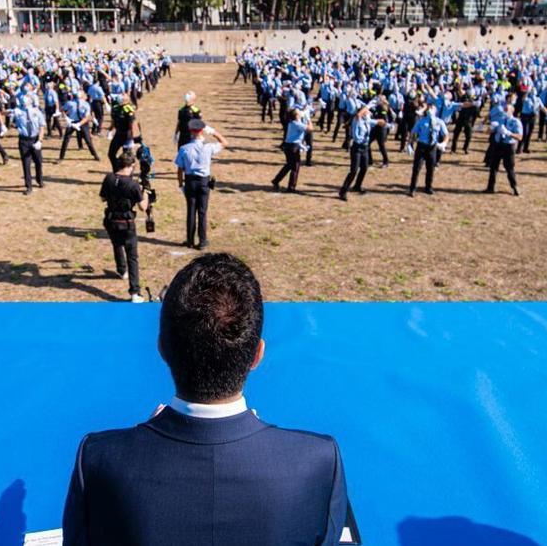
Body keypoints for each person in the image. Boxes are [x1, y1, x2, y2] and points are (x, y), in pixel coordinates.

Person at [62, 253, 350, 546]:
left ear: (162, 348)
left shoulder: (99, 458)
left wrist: (137, 446)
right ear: (257, 355)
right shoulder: (318, 461)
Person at [99, 149, 149, 303]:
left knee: (116, 244)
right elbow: (143, 207)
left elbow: (102, 198)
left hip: (111, 219)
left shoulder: (109, 178)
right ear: (132, 165)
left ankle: (121, 270)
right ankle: (135, 291)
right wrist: (145, 193)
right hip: (126, 222)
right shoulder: (133, 185)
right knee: (132, 256)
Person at [174, 119, 227, 250]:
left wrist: (181, 185)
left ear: (190, 131)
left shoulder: (184, 148)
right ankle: (202, 241)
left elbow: (179, 170)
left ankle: (190, 240)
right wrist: (213, 132)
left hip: (190, 182)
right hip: (204, 182)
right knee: (202, 212)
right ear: (202, 131)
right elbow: (225, 142)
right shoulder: (208, 147)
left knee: (191, 211)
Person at [339, 102, 380, 201]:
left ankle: (357, 186)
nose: (368, 113)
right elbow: (358, 115)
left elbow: (377, 122)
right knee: (353, 170)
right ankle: (343, 191)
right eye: (367, 112)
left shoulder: (367, 120)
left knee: (364, 168)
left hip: (365, 148)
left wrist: (387, 124)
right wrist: (370, 104)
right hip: (357, 148)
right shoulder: (356, 120)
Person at [408, 103, 448, 197]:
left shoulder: (439, 122)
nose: (430, 110)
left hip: (432, 147)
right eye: (429, 108)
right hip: (422, 146)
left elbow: (446, 134)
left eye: (432, 108)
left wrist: (444, 143)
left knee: (430, 168)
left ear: (436, 111)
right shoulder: (421, 121)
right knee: (416, 168)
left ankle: (428, 187)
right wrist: (409, 144)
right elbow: (413, 133)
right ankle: (412, 188)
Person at [485, 100, 522, 196]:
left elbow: (519, 137)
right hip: (498, 145)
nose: (504, 111)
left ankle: (515, 187)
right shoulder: (500, 120)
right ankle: (490, 187)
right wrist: (491, 129)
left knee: (509, 168)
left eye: (506, 110)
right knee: (493, 167)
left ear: (511, 111)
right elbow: (488, 132)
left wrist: (508, 133)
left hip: (509, 146)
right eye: (504, 109)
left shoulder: (516, 122)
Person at [12, 95, 46, 194]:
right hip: (24, 140)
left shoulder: (37, 112)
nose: (24, 100)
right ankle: (28, 186)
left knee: (38, 162)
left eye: (27, 99)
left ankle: (39, 180)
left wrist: (40, 140)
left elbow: (42, 127)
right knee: (26, 163)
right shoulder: (18, 112)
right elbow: (4, 113)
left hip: (35, 138)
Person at [272, 105, 309, 193]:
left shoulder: (291, 122)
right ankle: (291, 187)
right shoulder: (297, 124)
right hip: (293, 147)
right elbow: (310, 128)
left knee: (289, 165)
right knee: (295, 167)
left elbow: (299, 116)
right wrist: (309, 119)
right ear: (296, 116)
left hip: (288, 146)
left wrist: (304, 110)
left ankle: (276, 180)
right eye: (298, 113)